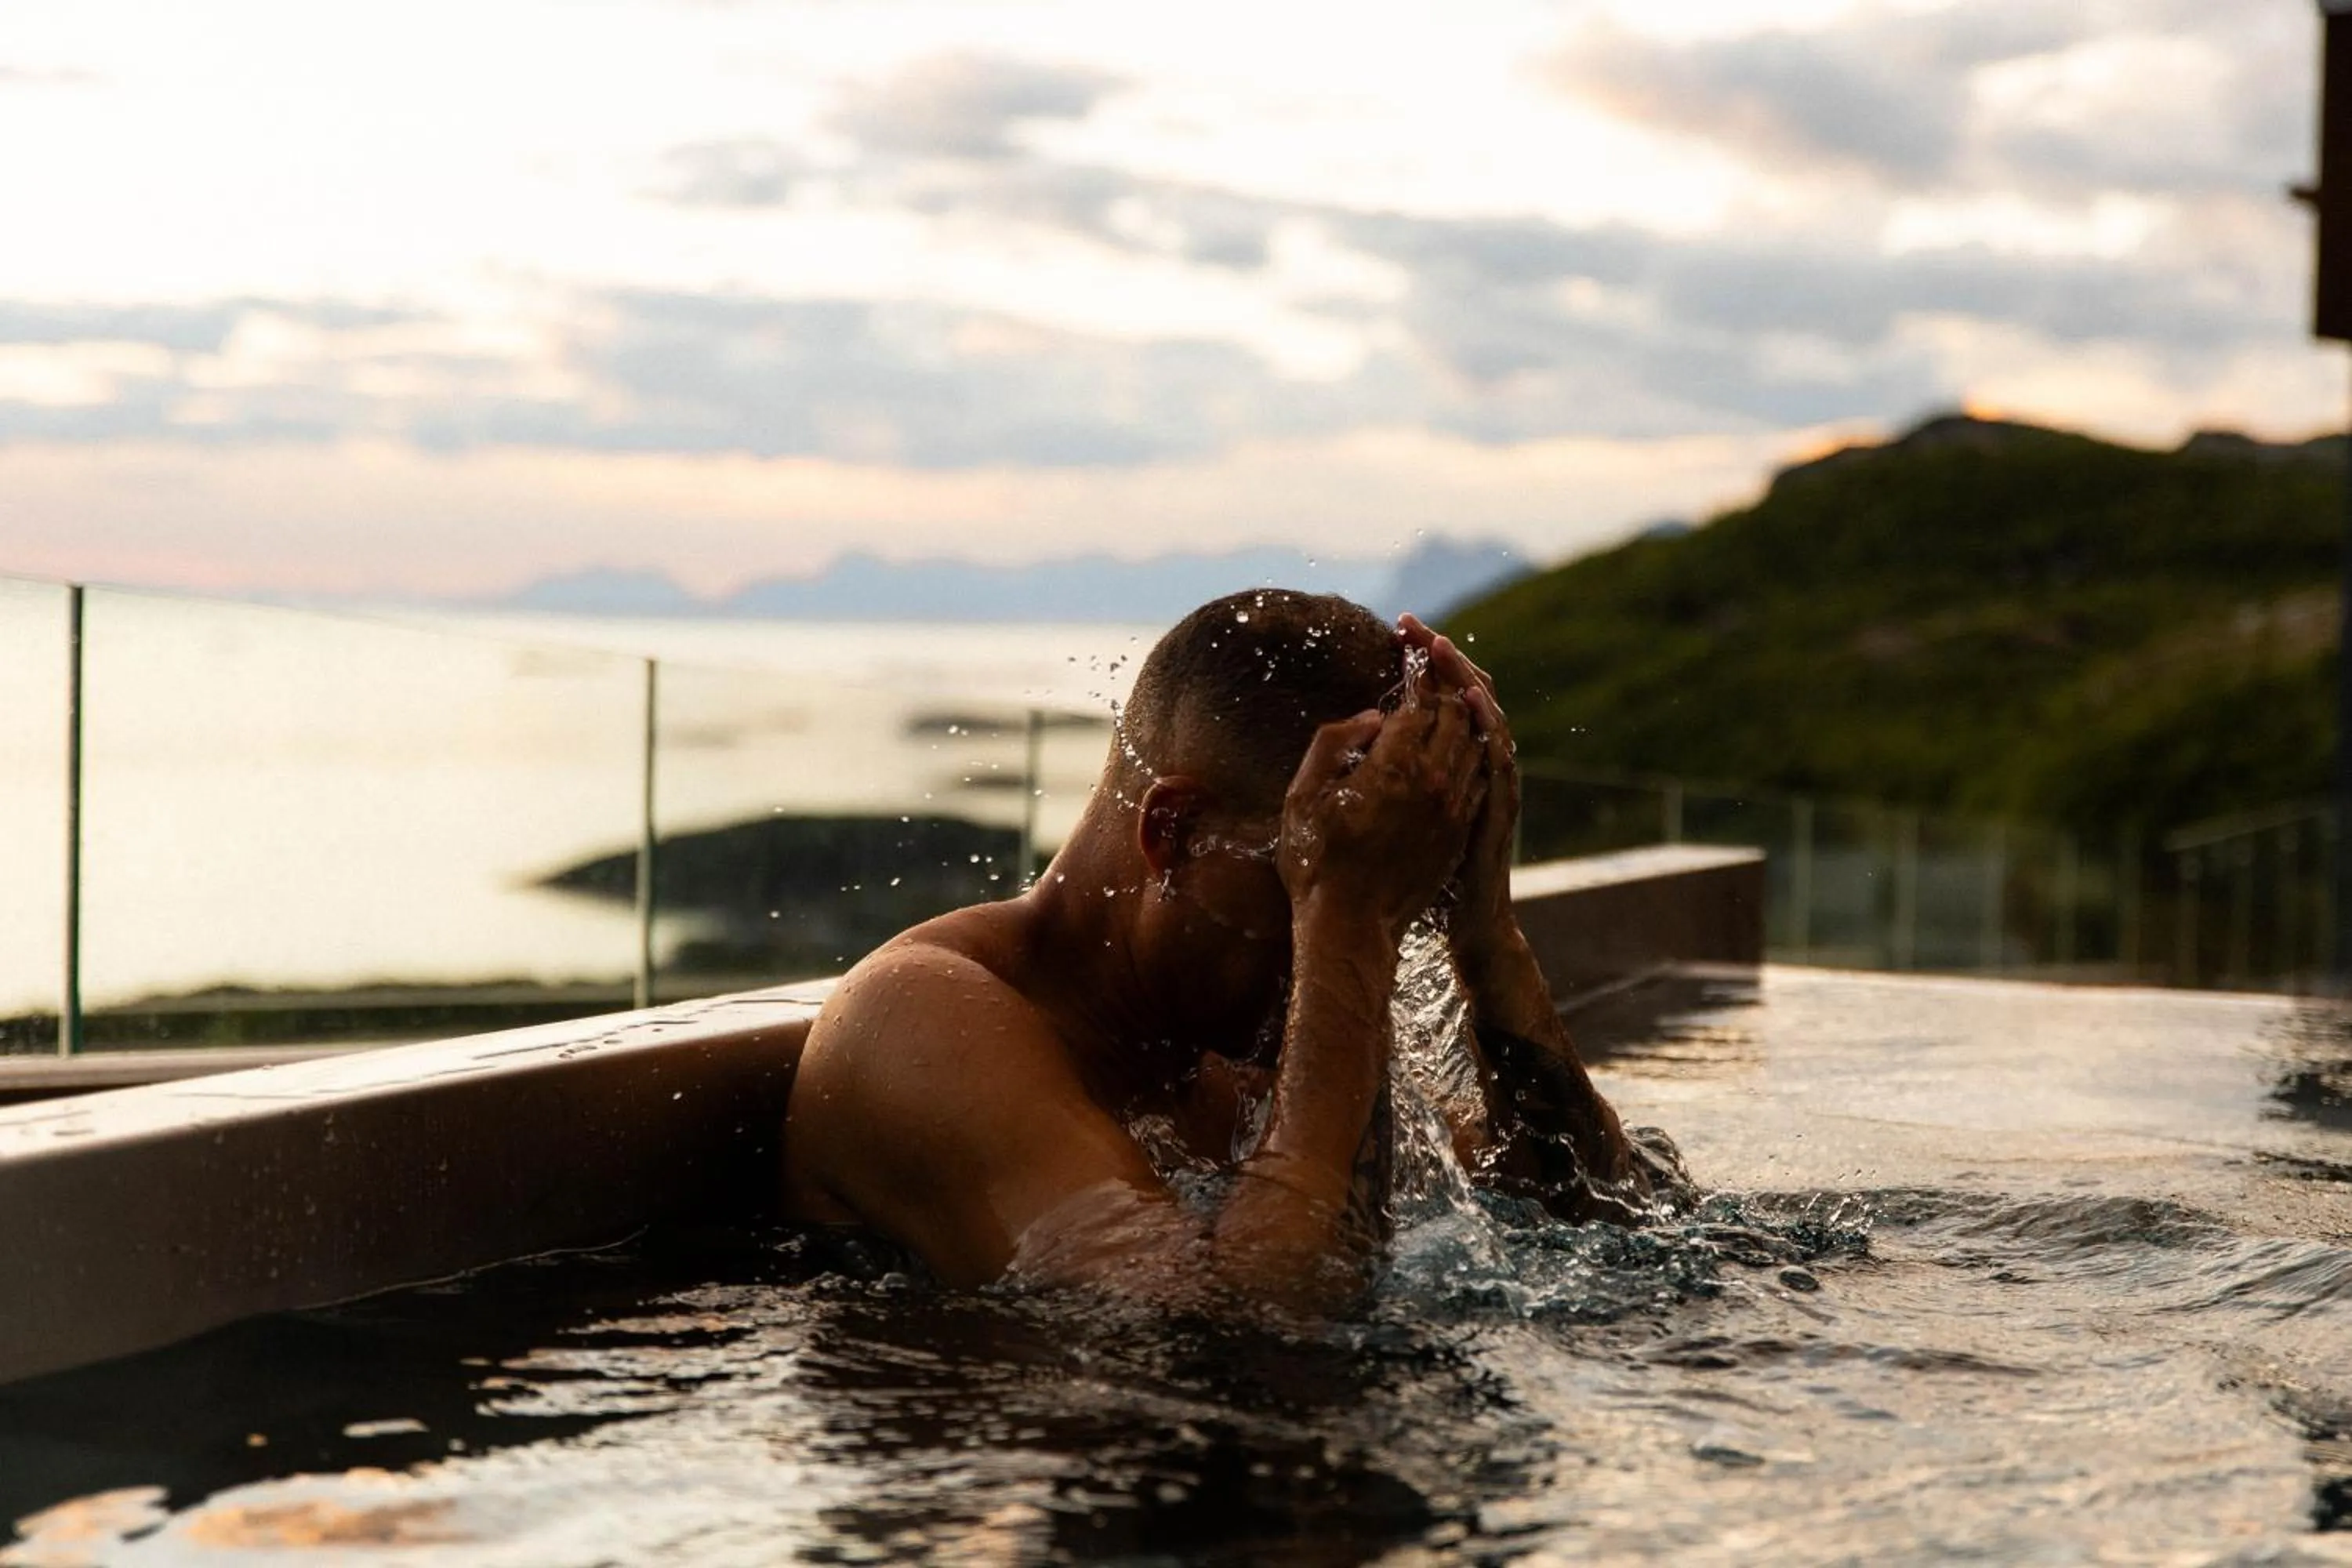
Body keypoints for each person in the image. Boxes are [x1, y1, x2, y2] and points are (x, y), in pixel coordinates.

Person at [781, 590, 1653, 1312]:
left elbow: (1594, 1221)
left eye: (1391, 899)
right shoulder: (920, 1018)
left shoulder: (1243, 1055)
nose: (1340, 950)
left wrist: (1486, 933)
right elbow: (1241, 1334)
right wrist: (1344, 918)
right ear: (1177, 830)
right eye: (1307, 884)